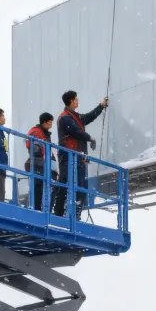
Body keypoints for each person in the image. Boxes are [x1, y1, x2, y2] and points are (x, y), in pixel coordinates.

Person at [53, 91, 108, 219]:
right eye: (76, 99)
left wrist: (101, 106)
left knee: (80, 187)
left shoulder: (74, 117)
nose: (78, 101)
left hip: (78, 157)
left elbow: (88, 117)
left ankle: (75, 214)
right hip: (69, 157)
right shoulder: (65, 118)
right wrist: (90, 138)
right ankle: (60, 213)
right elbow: (75, 131)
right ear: (71, 101)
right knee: (66, 185)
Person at [25, 112, 57, 212]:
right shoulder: (37, 132)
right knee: (37, 189)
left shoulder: (42, 133)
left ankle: (40, 209)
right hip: (39, 164)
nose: (51, 125)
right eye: (50, 122)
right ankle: (36, 210)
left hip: (41, 164)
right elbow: (44, 149)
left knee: (40, 188)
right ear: (44, 122)